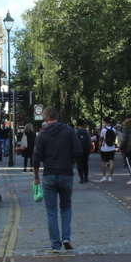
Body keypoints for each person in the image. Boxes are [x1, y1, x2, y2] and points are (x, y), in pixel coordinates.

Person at [32, 106, 82, 253]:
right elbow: (78, 151)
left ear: (45, 118)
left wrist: (36, 178)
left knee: (51, 211)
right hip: (66, 174)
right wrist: (70, 164)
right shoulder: (69, 131)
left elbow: (36, 158)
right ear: (58, 117)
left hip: (49, 175)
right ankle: (66, 238)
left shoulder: (42, 135)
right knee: (66, 207)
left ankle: (55, 244)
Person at [96, 118, 119, 182]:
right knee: (111, 161)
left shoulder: (103, 130)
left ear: (104, 122)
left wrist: (100, 145)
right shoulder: (114, 129)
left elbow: (101, 139)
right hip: (112, 147)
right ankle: (110, 177)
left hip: (104, 148)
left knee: (103, 161)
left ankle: (104, 176)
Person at [74, 119, 93, 183]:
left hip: (78, 149)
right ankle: (86, 177)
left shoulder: (75, 131)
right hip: (85, 149)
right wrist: (89, 148)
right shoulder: (87, 131)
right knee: (85, 163)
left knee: (79, 163)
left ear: (77, 124)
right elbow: (90, 141)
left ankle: (81, 178)